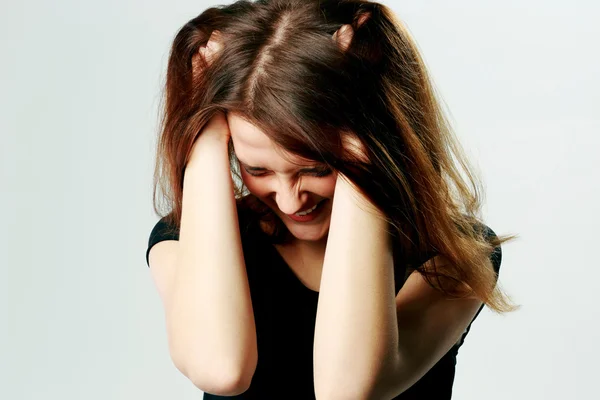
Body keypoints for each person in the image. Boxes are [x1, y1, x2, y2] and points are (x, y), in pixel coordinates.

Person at [145, 0, 520, 398]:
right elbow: (221, 369)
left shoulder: (456, 255)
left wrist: (365, 138)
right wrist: (202, 133)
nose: (290, 202)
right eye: (258, 170)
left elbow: (347, 391)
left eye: (315, 169)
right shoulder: (179, 239)